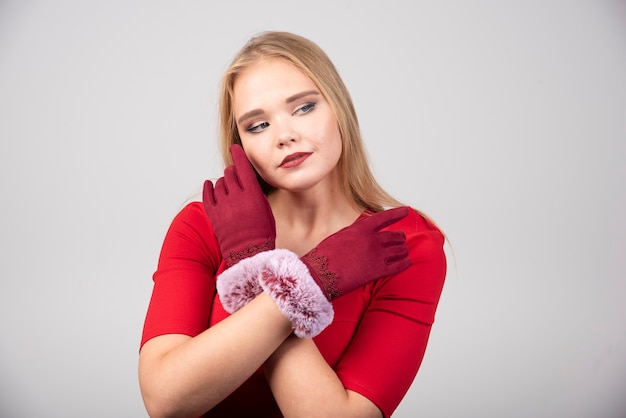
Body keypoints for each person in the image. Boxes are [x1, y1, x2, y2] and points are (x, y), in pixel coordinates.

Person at [138, 31, 446, 418]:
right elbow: (166, 400)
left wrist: (255, 274)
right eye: (258, 126)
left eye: (303, 108)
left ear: (339, 108)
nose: (285, 136)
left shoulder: (404, 243)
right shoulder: (202, 224)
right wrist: (302, 279)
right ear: (241, 146)